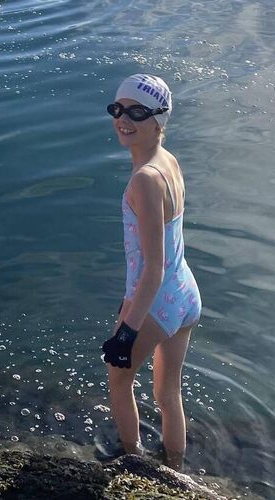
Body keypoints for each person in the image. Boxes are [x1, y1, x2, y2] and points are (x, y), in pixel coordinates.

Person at [101, 74, 201, 468]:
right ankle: (175, 467)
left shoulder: (144, 179)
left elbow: (152, 268)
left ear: (159, 120)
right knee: (168, 393)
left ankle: (133, 463)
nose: (123, 119)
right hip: (186, 293)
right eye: (118, 109)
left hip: (157, 298)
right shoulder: (167, 161)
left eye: (136, 112)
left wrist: (127, 329)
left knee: (119, 378)